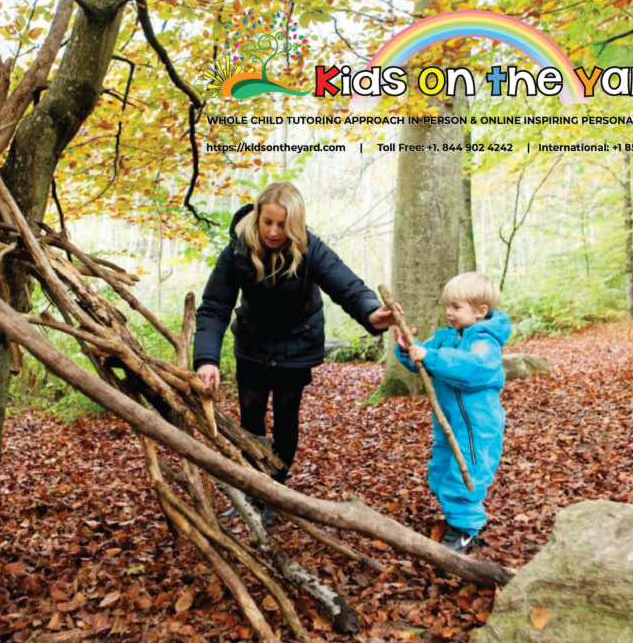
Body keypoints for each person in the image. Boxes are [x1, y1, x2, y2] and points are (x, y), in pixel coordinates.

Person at [194, 182, 396, 524]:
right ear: (257, 218)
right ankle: (254, 490)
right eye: (267, 222)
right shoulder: (237, 251)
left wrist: (371, 313)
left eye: (282, 224)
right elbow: (214, 307)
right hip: (253, 342)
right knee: (250, 414)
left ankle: (277, 492)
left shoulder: (311, 249)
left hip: (298, 342)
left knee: (286, 414)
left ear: (296, 223)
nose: (273, 232)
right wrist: (207, 359)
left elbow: (347, 286)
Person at [393, 272, 511, 553]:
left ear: (480, 311)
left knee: (465, 470)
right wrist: (407, 349)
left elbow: (474, 369)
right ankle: (453, 512)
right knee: (442, 467)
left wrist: (430, 356)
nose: (449, 312)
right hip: (448, 421)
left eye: (456, 307)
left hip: (475, 425)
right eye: (448, 305)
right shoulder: (446, 338)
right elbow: (422, 360)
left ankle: (465, 529)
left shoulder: (485, 341)